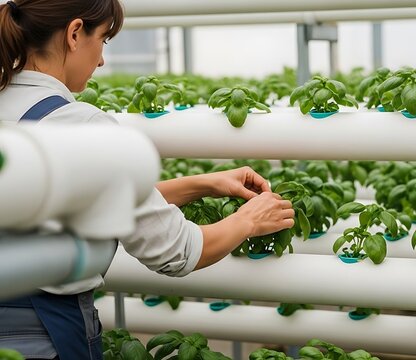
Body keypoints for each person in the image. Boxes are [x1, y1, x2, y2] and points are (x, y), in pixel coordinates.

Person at [0, 0, 295, 359]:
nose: (102, 60)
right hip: (46, 338)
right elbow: (179, 250)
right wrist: (250, 219)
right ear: (75, 33)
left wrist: (203, 183)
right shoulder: (83, 127)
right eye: (104, 40)